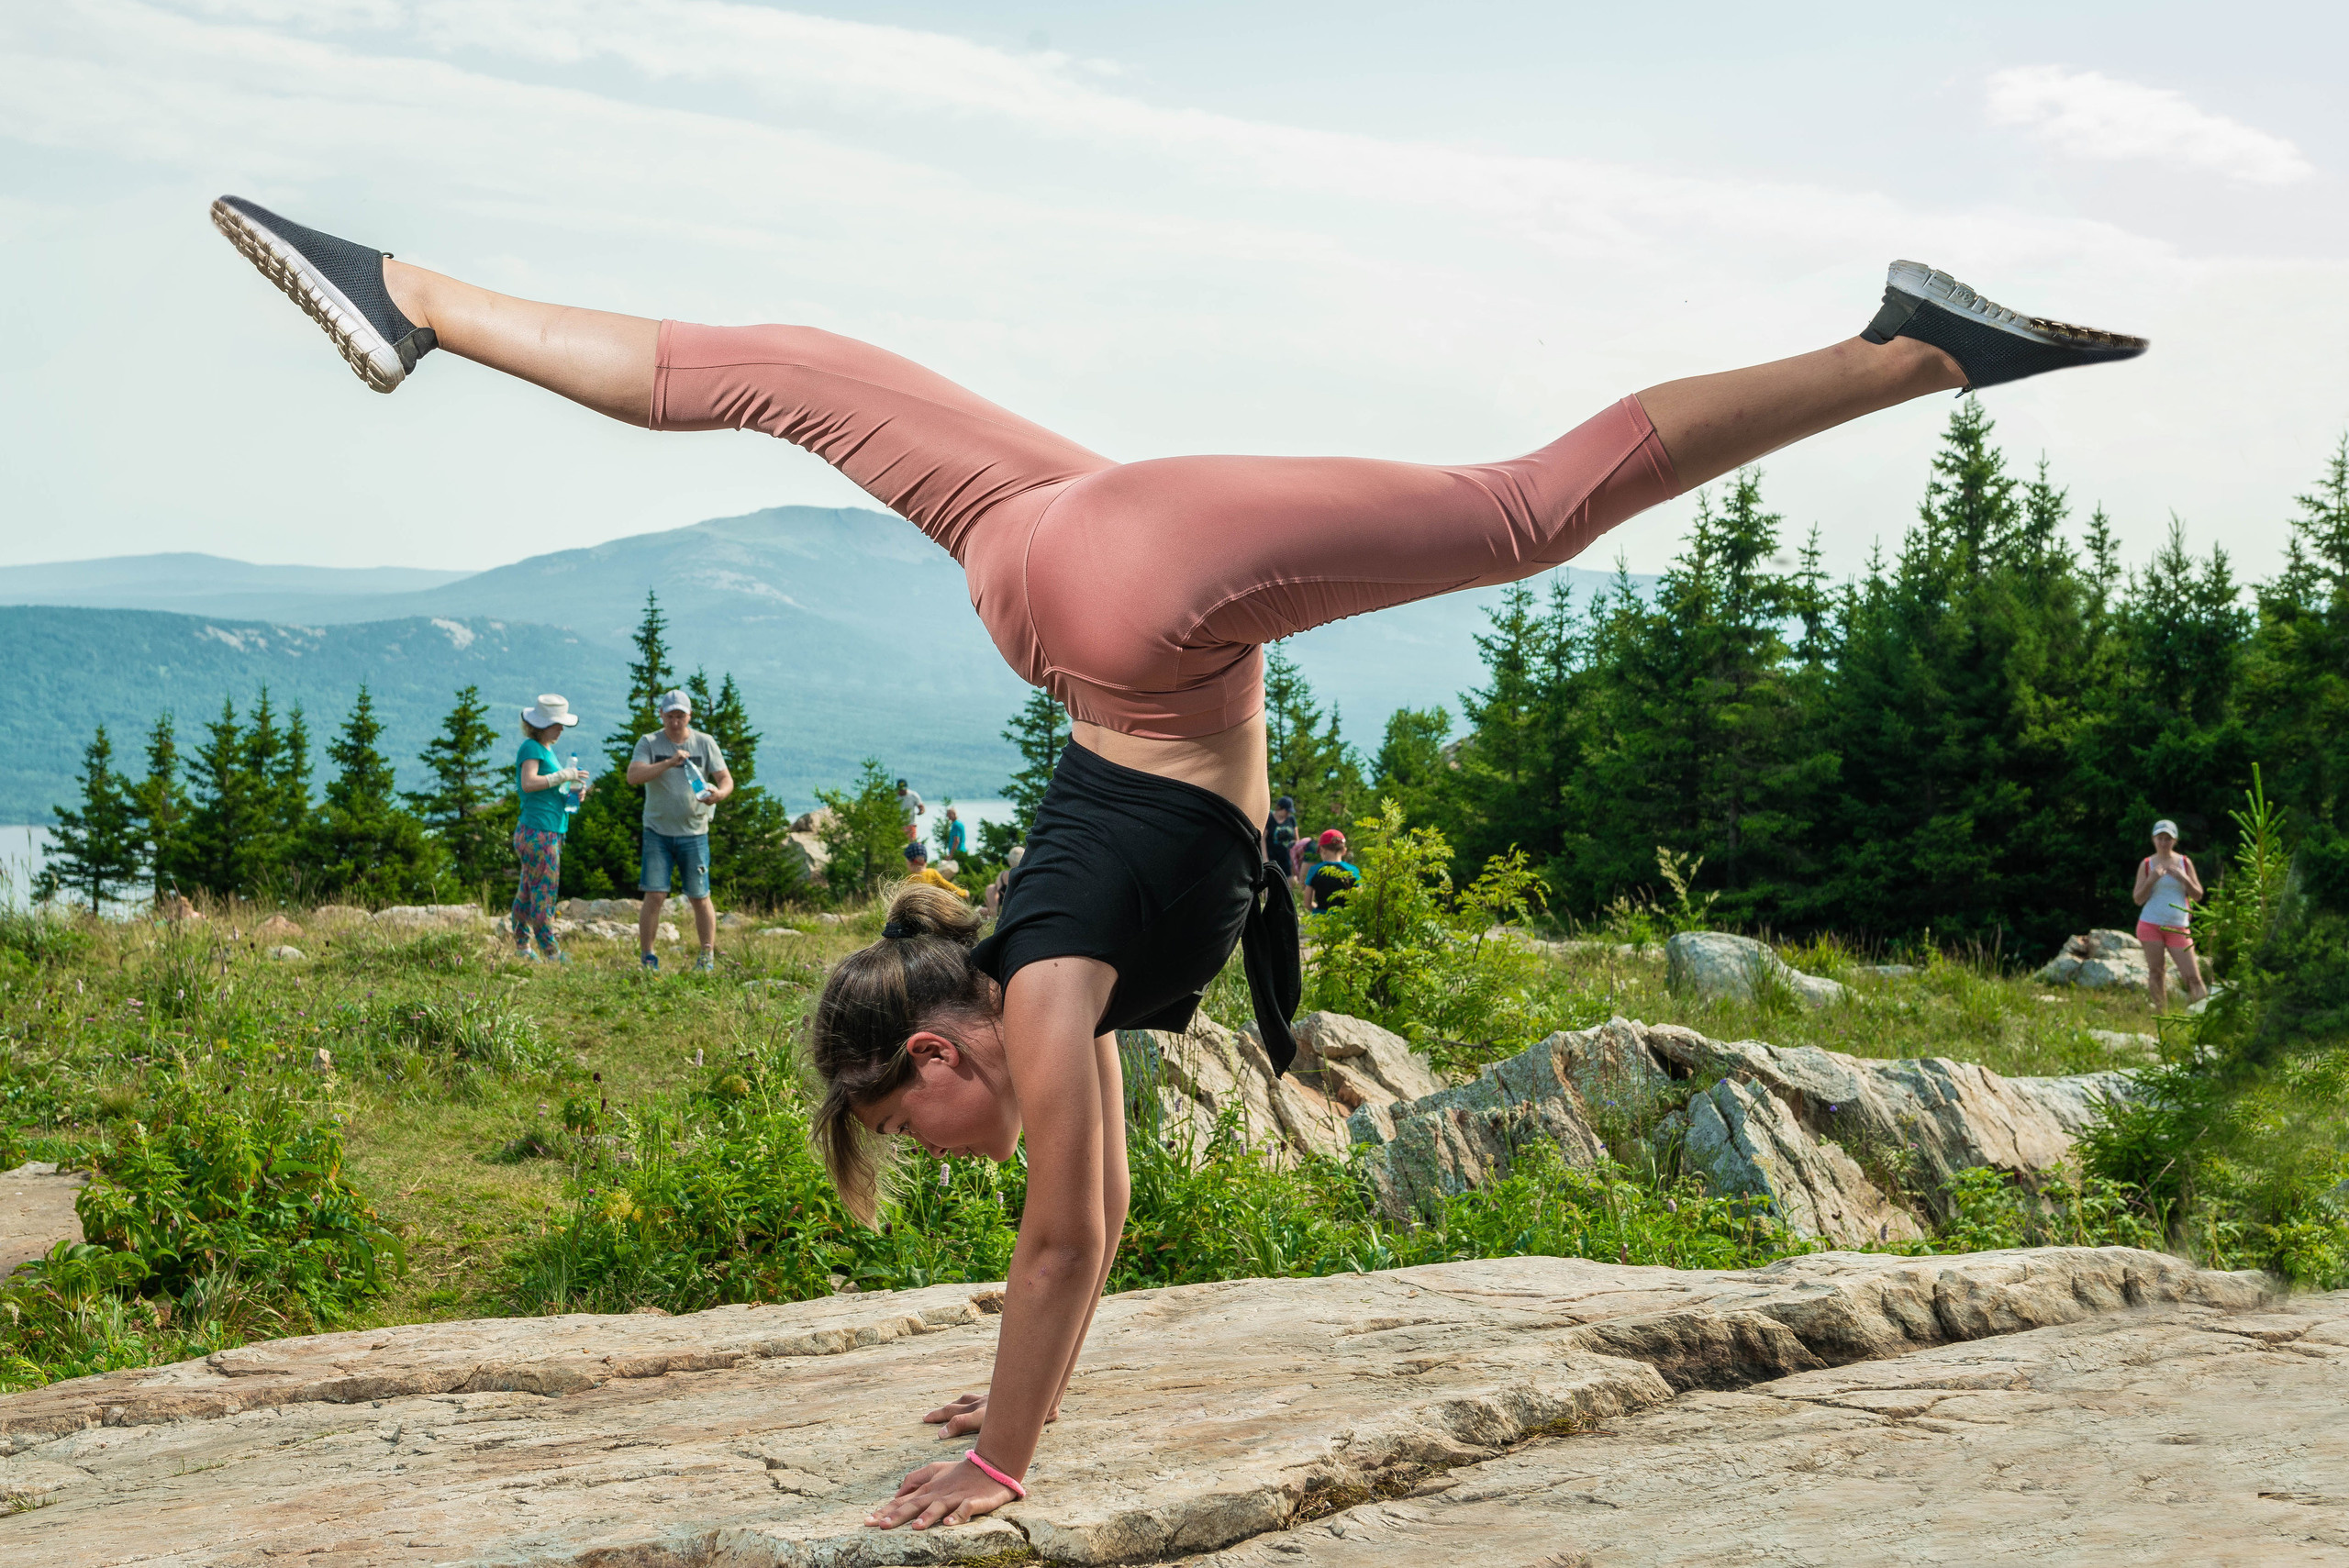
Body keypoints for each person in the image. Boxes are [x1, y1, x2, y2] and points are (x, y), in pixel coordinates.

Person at [212, 192, 2146, 1530]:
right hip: (1046, 566)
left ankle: (1911, 347)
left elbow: (1061, 1235)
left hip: (1124, 604)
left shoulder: (1049, 988)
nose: (951, 1155)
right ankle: (411, 292)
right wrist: (1016, 1388)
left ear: (936, 1050)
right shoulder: (1040, 977)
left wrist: (1003, 1461)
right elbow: (1091, 1229)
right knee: (779, 370)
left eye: (911, 1129)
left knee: (1524, 508)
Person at [625, 688, 733, 973]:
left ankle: (706, 957)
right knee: (655, 895)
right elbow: (633, 776)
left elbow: (725, 779)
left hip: (695, 832)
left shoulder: (704, 743)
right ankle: (648, 957)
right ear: (661, 715)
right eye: (670, 716)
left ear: (689, 716)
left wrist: (719, 795)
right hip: (657, 831)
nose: (675, 722)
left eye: (680, 716)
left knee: (700, 895)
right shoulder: (649, 742)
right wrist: (668, 763)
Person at [511, 695, 586, 962]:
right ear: (542, 725)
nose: (561, 729)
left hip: (541, 829)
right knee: (545, 890)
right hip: (540, 832)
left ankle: (522, 946)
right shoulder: (532, 748)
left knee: (527, 891)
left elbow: (546, 789)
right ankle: (551, 951)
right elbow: (529, 783)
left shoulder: (543, 748)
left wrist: (571, 792)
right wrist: (563, 775)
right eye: (557, 724)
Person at [2132, 818, 2209, 1011]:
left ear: (2175, 840)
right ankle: (2162, 1016)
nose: (2164, 842)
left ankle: (2204, 1016)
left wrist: (2184, 879)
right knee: (2156, 972)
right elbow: (2138, 899)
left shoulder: (2184, 862)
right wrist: (2151, 879)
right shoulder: (2147, 864)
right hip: (2150, 924)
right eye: (2160, 838)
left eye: (2168, 838)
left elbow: (2198, 895)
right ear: (2153, 839)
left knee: (2193, 977)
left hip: (2178, 926)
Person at [1303, 828, 1361, 913]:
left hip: (1320, 919)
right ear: (1344, 851)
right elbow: (1359, 901)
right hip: (1345, 918)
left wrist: (1320, 912)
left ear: (1322, 850)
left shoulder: (1314, 870)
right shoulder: (1353, 870)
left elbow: (1307, 904)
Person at [904, 841, 971, 897]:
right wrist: (963, 893)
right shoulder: (932, 872)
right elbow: (947, 885)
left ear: (911, 862)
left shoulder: (909, 879)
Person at [985, 844, 1025, 920]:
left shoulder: (1003, 874)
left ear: (1010, 861)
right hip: (1019, 904)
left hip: (1004, 903)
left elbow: (997, 889)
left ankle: (993, 917)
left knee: (991, 888)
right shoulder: (1026, 875)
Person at [897, 778, 926, 842]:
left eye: (904, 789)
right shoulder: (894, 796)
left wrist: (921, 811)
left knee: (912, 843)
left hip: (910, 824)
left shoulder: (913, 795)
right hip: (898, 825)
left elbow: (921, 806)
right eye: (900, 790)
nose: (902, 791)